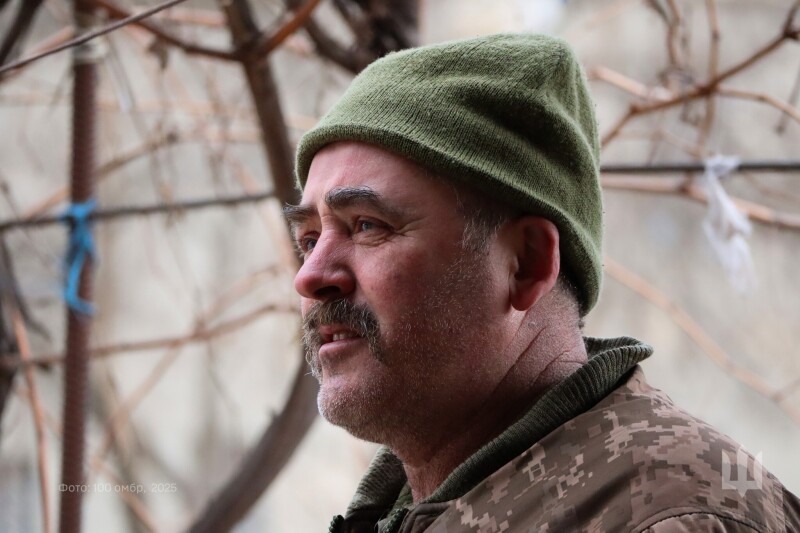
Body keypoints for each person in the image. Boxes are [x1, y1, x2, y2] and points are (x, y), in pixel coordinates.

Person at [283, 33, 800, 533]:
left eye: (367, 226)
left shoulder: (671, 515)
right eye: (309, 239)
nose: (310, 276)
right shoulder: (420, 502)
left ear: (526, 264)